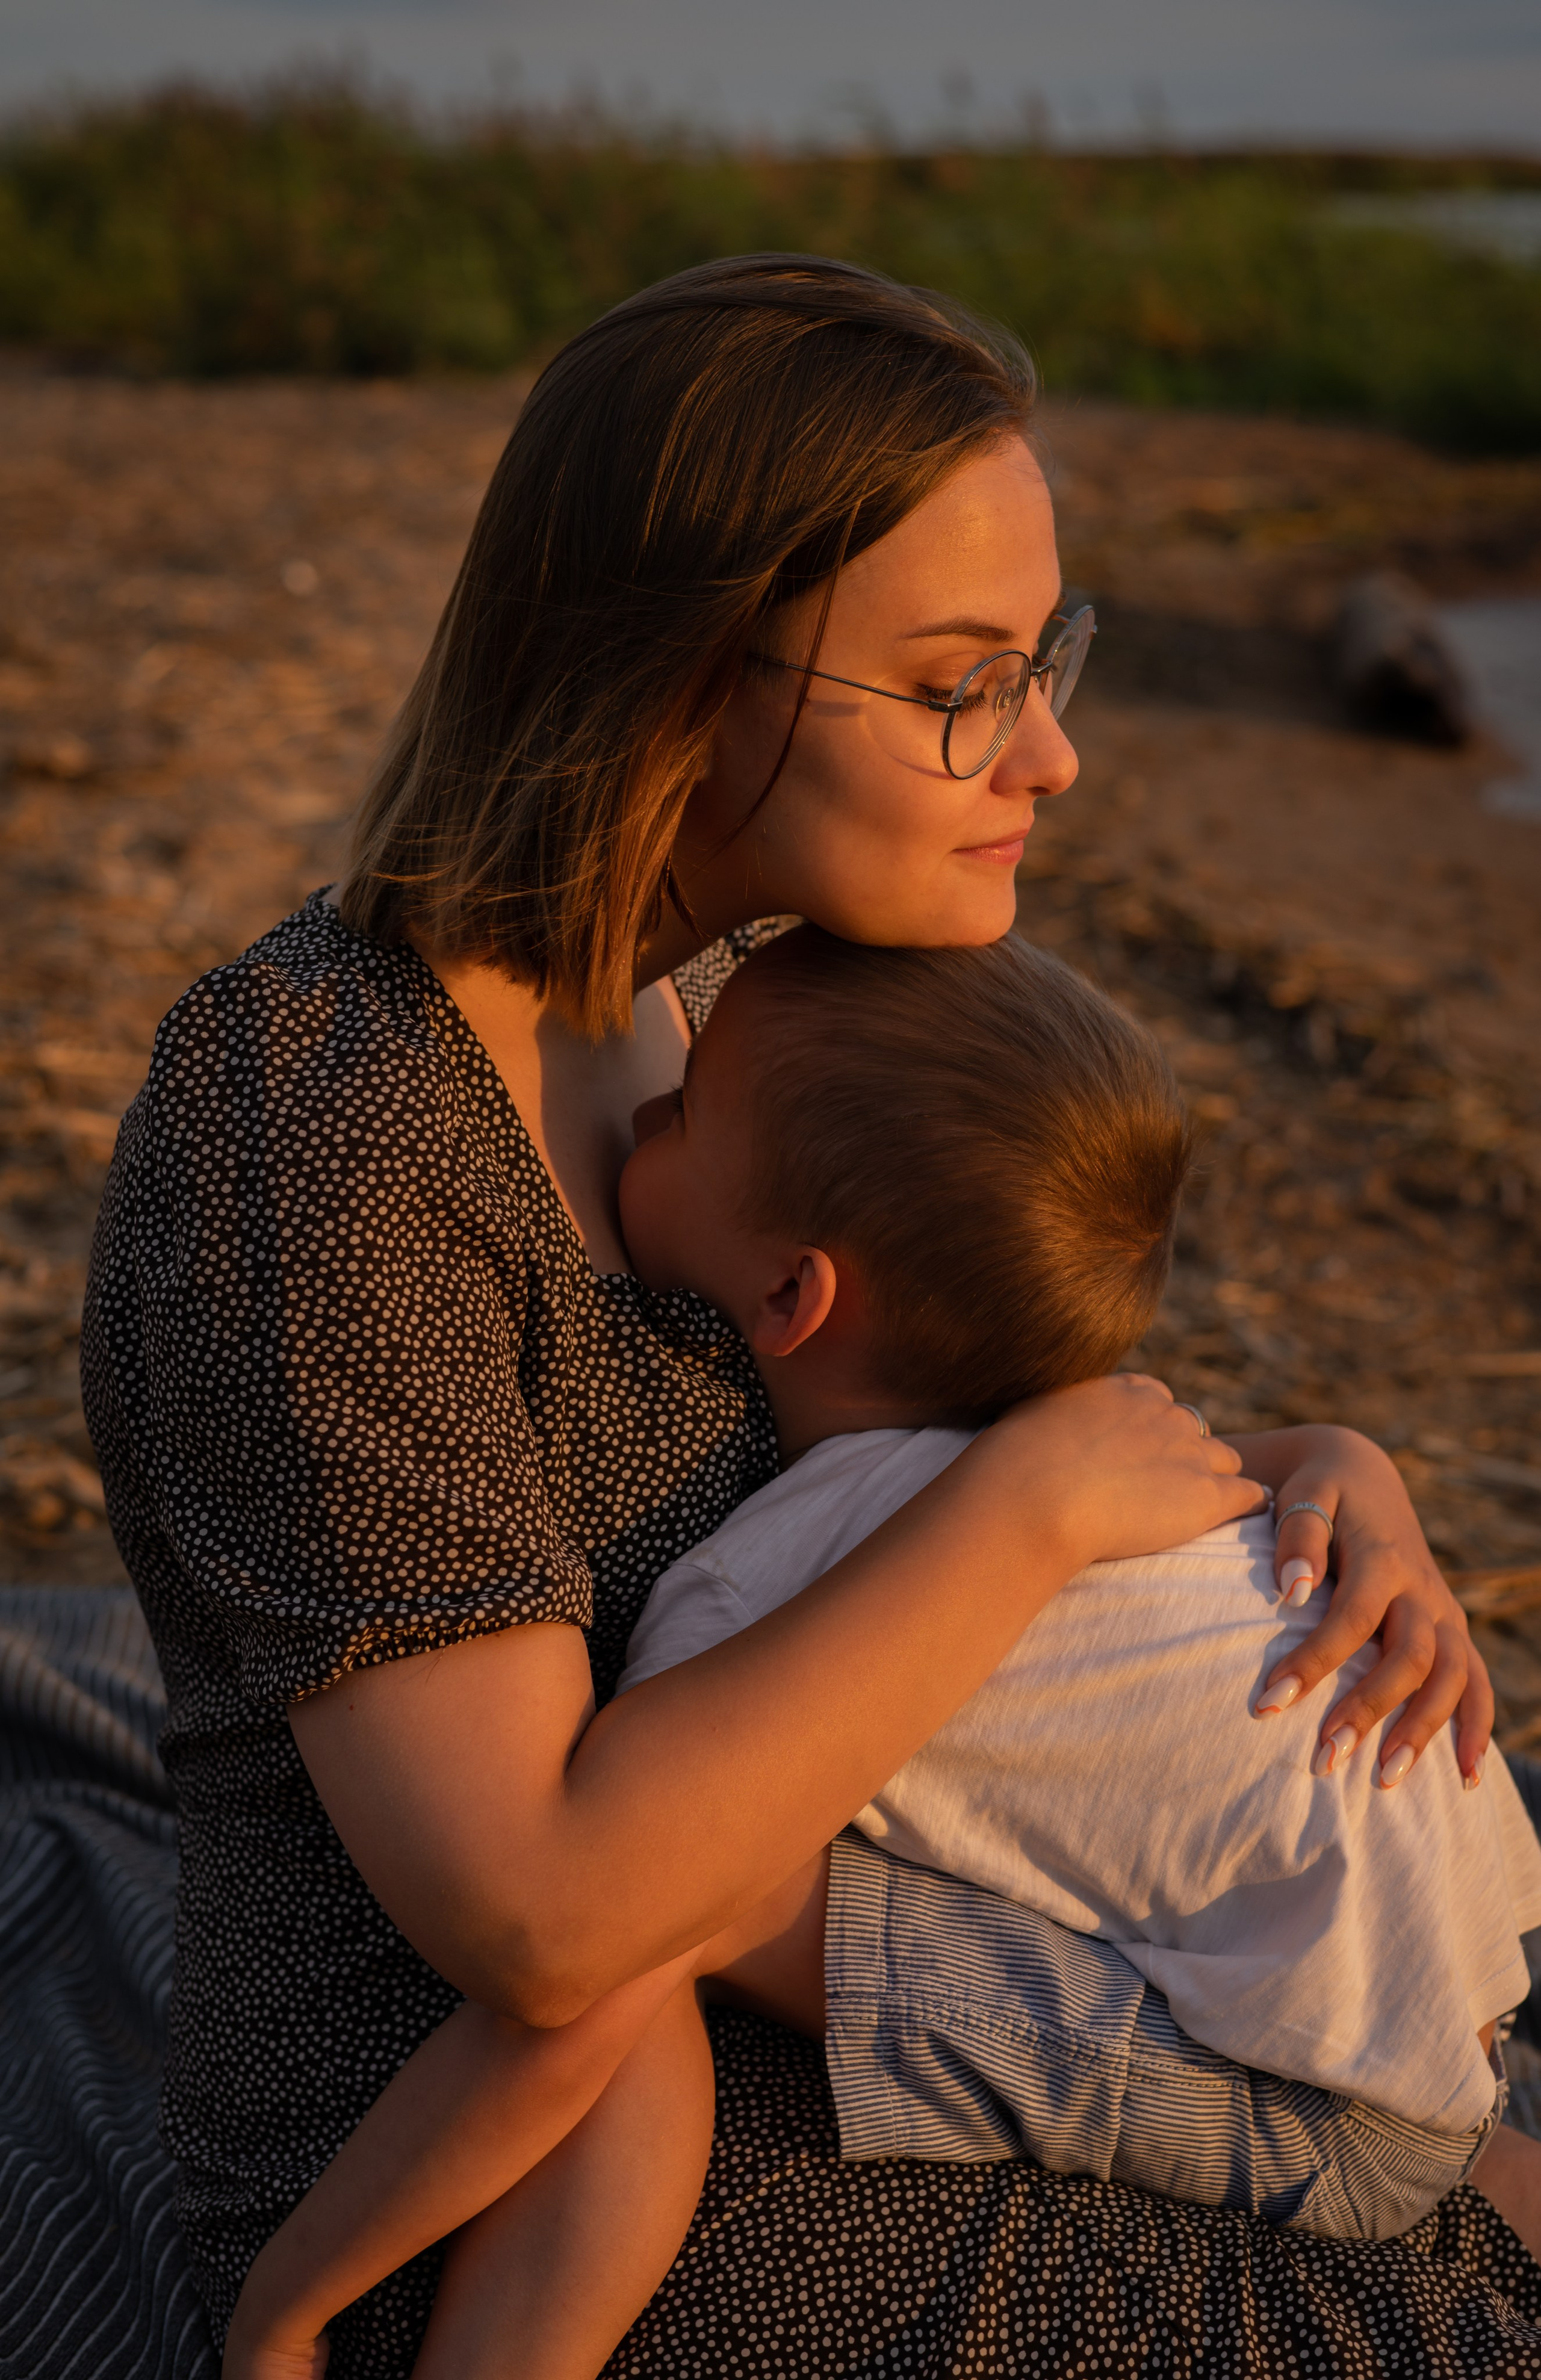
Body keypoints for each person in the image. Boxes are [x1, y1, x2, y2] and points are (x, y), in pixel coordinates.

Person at [83, 255, 1528, 2380]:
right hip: (484, 2194)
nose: (1047, 754)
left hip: (827, 2013)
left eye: (1051, 662)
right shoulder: (322, 1133)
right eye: (959, 680)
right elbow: (541, 1917)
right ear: (679, 679)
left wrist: (1336, 1485)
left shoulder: (649, 1029)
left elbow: (894, 1423)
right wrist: (1027, 1515)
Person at [220, 928, 1541, 2380]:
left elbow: (589, 1960)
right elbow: (1258, 1490)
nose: (642, 1111)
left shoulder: (767, 1586)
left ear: (791, 1298)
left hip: (1323, 2101)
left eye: (681, 1112)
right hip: (1445, 1969)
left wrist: (295, 2296)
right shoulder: (1100, 1454)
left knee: (667, 1931)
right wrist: (1343, 1456)